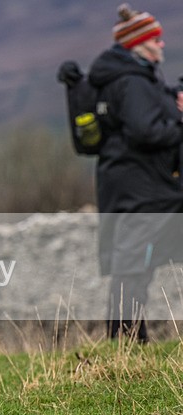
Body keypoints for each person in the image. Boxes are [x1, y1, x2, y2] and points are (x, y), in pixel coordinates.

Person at [86, 4, 183, 343]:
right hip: (140, 189)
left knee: (135, 266)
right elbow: (146, 131)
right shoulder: (132, 81)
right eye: (156, 39)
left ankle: (126, 342)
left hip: (136, 186)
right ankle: (126, 342)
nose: (161, 45)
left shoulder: (134, 77)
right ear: (139, 43)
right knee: (134, 268)